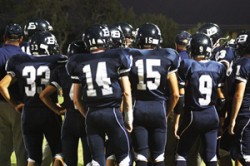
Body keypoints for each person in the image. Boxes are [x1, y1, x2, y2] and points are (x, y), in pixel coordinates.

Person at [66, 24, 133, 166]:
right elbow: (126, 92)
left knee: (96, 160)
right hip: (112, 113)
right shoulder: (117, 56)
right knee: (124, 158)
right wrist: (129, 118)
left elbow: (76, 99)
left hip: (92, 115)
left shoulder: (78, 61)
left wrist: (88, 115)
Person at [0, 31, 66, 166]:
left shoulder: (20, 61)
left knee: (32, 158)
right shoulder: (57, 61)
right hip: (49, 111)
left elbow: (2, 86)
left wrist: (14, 104)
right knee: (59, 153)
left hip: (28, 113)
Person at [128, 22, 179, 166]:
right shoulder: (168, 55)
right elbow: (175, 94)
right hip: (159, 108)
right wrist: (167, 112)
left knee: (141, 157)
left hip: (138, 108)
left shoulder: (131, 56)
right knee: (158, 158)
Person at [174, 32, 226, 166]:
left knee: (181, 153)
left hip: (194, 115)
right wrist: (221, 120)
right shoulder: (218, 67)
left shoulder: (187, 64)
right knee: (211, 156)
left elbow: (181, 97)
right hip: (212, 115)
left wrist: (177, 121)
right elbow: (222, 99)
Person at [39, 40, 92, 166]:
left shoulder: (62, 69)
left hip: (70, 118)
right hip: (87, 116)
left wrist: (57, 110)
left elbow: (43, 95)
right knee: (90, 161)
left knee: (69, 161)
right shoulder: (91, 67)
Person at [0, 23, 28, 166]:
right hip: (17, 105)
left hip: (0, 106)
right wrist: (15, 103)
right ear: (21, 39)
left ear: (4, 37)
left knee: (2, 148)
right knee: (21, 147)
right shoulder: (24, 57)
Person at [228, 30, 250, 166]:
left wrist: (232, 119)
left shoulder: (243, 64)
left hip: (245, 113)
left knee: (244, 156)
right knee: (240, 154)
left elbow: (238, 94)